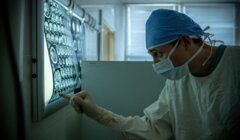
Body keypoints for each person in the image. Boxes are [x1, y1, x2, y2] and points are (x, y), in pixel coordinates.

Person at [60, 9, 240, 140]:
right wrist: (98, 113)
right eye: (152, 55)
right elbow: (153, 127)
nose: (155, 63)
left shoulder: (234, 64)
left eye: (159, 53)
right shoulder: (177, 82)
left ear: (185, 41)